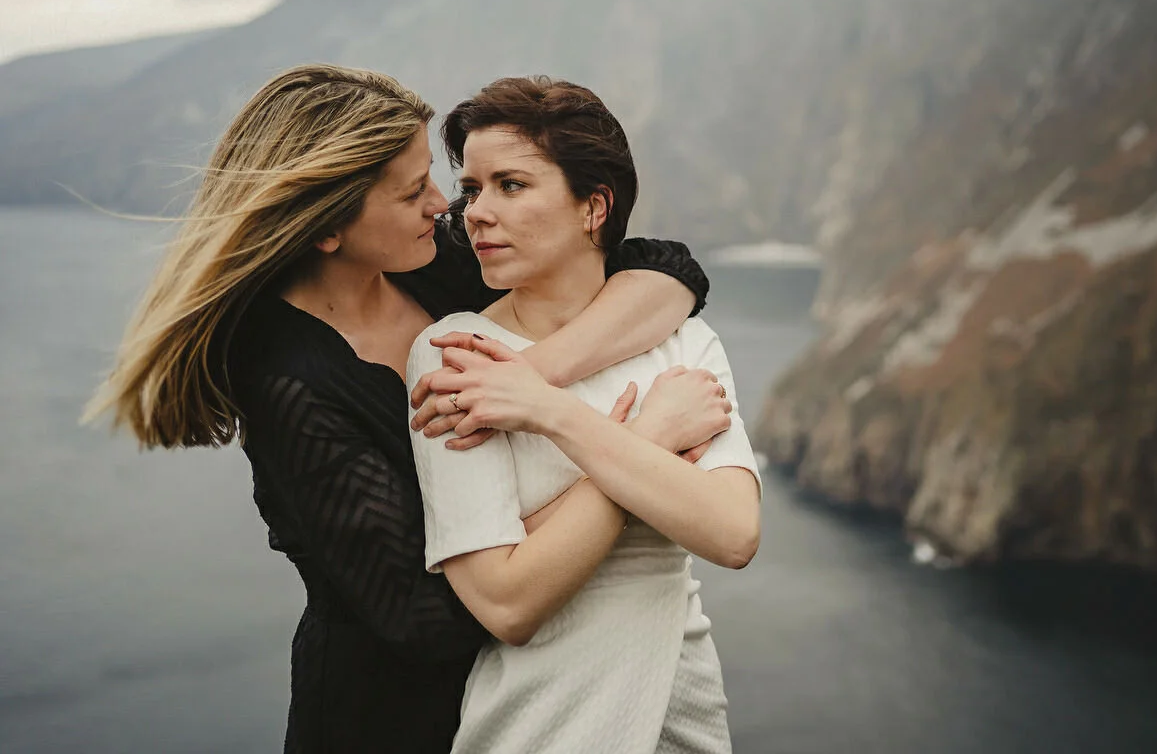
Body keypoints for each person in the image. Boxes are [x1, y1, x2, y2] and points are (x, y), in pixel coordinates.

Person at [85, 64, 728, 754]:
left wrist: (533, 377)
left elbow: (667, 269)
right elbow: (428, 617)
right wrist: (631, 453)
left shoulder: (432, 262)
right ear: (328, 228)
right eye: (411, 190)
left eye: (433, 177)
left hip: (520, 705)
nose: (443, 205)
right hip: (390, 723)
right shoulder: (290, 383)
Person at [404, 76, 762, 753]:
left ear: (594, 207)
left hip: (683, 719)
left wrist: (552, 413)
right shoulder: (458, 356)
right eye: (473, 189)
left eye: (510, 185)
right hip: (539, 726)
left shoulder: (681, 339)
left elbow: (734, 534)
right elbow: (507, 603)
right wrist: (647, 440)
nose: (474, 212)